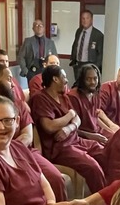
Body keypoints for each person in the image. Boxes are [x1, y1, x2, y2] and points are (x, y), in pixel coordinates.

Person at [0, 63, 67, 201]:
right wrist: (2, 154)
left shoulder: (17, 104)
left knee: (56, 178)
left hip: (25, 153)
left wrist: (11, 150)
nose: (12, 84)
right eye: (9, 79)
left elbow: (28, 135)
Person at [30, 65, 107, 194]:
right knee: (93, 167)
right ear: (55, 79)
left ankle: (116, 197)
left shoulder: (64, 97)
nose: (66, 81)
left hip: (76, 140)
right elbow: (49, 126)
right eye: (64, 77)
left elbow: (78, 120)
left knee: (107, 154)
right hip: (60, 149)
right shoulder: (40, 98)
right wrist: (70, 115)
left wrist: (69, 127)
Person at [68, 64, 118, 145]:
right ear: (82, 80)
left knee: (119, 140)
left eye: (95, 78)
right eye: (88, 79)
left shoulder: (96, 94)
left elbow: (94, 118)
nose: (93, 82)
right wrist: (93, 136)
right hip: (82, 137)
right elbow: (71, 128)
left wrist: (109, 130)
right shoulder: (73, 97)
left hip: (97, 132)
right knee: (107, 150)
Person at [69, 10, 104, 79]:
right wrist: (73, 60)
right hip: (78, 64)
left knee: (88, 85)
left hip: (90, 64)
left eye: (87, 18)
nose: (85, 21)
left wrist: (95, 68)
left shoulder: (98, 35)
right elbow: (75, 46)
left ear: (91, 19)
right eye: (83, 18)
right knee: (78, 85)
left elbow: (100, 54)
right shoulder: (78, 31)